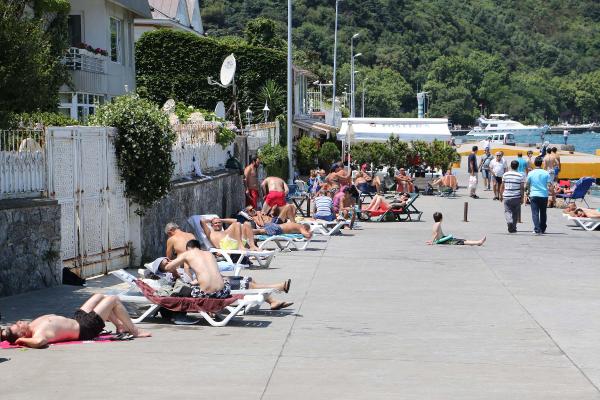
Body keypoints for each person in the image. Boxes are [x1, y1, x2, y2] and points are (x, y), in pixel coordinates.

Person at [151, 253, 293, 310]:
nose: (169, 263)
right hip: (206, 288)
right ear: (161, 270)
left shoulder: (179, 268)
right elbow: (184, 287)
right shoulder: (167, 278)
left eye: (168, 260)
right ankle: (278, 287)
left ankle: (273, 300)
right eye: (165, 264)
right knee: (249, 285)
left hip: (212, 283)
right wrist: (175, 273)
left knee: (249, 280)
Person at [0, 294, 151, 348]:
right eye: (18, 325)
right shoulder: (38, 334)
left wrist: (5, 334)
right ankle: (134, 330)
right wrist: (20, 340)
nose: (19, 321)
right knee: (113, 300)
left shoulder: (31, 326)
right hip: (86, 328)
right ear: (23, 334)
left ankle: (119, 326)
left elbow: (5, 335)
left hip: (77, 319)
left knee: (99, 296)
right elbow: (40, 342)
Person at [526, 156, 550, 235]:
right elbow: (550, 185)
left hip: (534, 195)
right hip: (544, 195)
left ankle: (537, 229)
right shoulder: (546, 173)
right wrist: (553, 195)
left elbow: (527, 184)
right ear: (542, 163)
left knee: (535, 213)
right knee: (543, 212)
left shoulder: (530, 173)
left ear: (534, 163)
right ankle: (542, 229)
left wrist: (528, 192)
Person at [501, 160, 525, 233]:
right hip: (516, 196)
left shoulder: (505, 174)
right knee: (515, 213)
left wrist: (500, 195)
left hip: (507, 196)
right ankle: (513, 228)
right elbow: (522, 188)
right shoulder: (520, 176)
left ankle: (509, 222)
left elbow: (502, 186)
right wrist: (522, 197)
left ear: (511, 166)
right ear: (517, 167)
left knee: (507, 211)